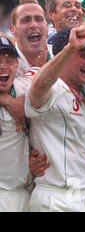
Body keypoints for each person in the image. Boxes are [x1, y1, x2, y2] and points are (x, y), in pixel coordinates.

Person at [25, 26, 85, 212]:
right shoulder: (53, 89)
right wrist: (69, 48)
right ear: (64, 56)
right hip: (55, 198)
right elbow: (37, 89)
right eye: (83, 55)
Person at [0, 36, 35, 211]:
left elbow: (62, 71)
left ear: (17, 65)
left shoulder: (24, 86)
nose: (3, 66)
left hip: (24, 194)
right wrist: (7, 100)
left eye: (9, 60)